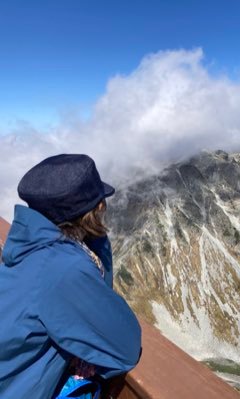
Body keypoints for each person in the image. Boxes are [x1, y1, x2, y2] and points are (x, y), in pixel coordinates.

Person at [0, 154, 142, 399]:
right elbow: (126, 347)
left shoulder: (28, 247)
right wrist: (99, 244)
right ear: (95, 208)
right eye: (100, 200)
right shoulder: (64, 269)